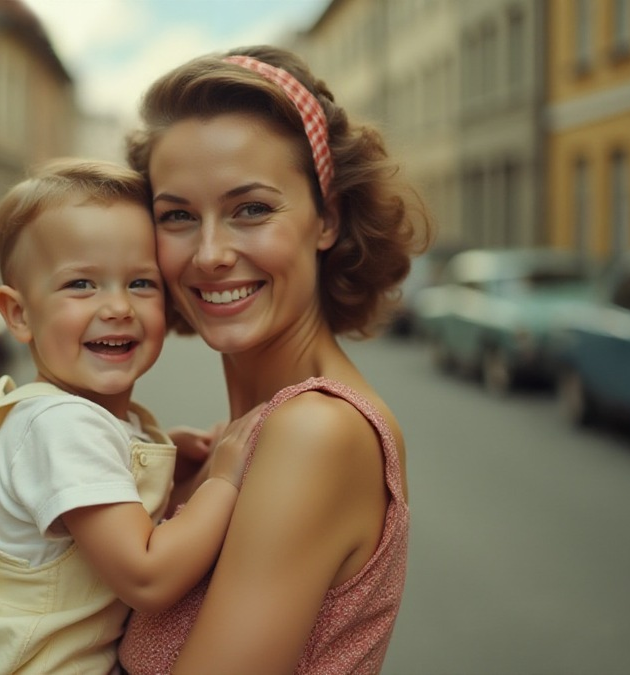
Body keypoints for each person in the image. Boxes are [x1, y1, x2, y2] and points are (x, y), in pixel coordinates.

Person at [117, 45, 428, 674]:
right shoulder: (248, 435)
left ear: (326, 219)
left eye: (251, 209)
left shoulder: (315, 430)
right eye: (177, 215)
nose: (209, 254)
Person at [0, 158, 258, 675]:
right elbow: (148, 577)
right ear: (18, 314)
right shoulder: (63, 426)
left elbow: (113, 524)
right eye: (81, 285)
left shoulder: (81, 421)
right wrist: (225, 480)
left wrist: (175, 474)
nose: (118, 307)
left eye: (142, 284)